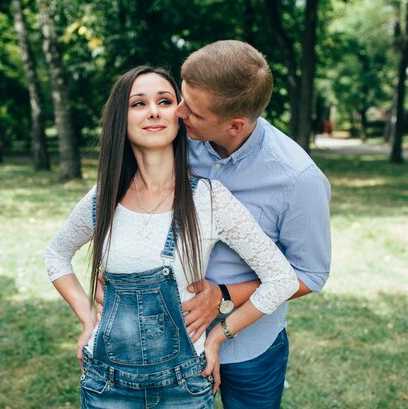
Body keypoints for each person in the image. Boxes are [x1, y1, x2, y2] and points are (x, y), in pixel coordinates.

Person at [45, 65, 299, 409]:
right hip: (107, 387)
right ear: (122, 117)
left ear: (179, 115)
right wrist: (89, 318)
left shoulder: (209, 199)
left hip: (185, 388)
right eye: (138, 103)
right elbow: (56, 256)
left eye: (164, 101)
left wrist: (218, 337)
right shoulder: (102, 199)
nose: (153, 111)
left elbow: (281, 278)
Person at [175, 40, 332, 409]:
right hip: (174, 340)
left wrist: (224, 296)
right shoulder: (178, 141)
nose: (178, 113)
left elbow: (310, 274)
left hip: (251, 349)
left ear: (235, 124)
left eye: (194, 112)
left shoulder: (298, 179)